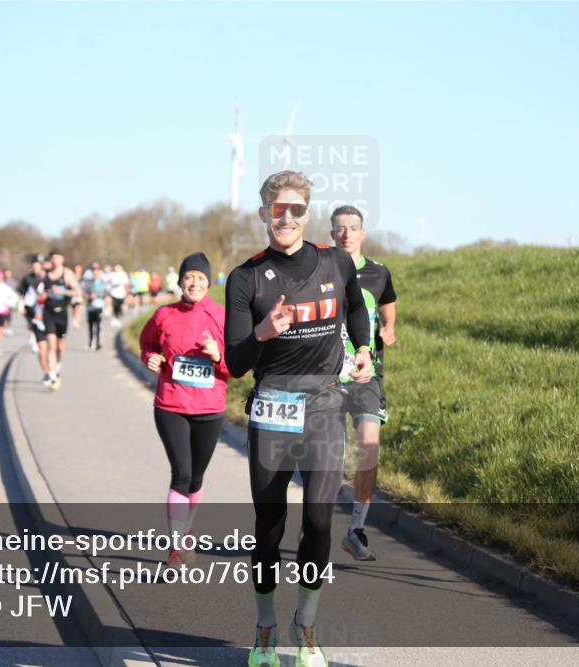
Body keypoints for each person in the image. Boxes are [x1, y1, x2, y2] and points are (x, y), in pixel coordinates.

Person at [225, 170, 373, 667]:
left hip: (325, 407)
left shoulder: (335, 262)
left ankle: (305, 625)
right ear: (263, 213)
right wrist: (263, 331)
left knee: (318, 522)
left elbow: (356, 311)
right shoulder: (245, 277)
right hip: (272, 408)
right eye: (276, 208)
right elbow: (237, 362)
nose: (285, 217)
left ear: (307, 214)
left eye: (295, 209)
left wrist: (366, 347)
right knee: (269, 523)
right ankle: (265, 626)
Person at [140, 252, 229, 568]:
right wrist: (150, 358)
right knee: (182, 473)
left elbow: (238, 366)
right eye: (189, 277)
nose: (195, 283)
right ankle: (176, 548)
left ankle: (187, 529)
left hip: (209, 407)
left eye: (201, 278)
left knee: (197, 477)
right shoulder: (164, 314)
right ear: (180, 282)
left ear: (209, 283)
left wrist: (219, 355)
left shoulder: (221, 316)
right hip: (171, 405)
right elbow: (148, 344)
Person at [329, 205, 398, 561]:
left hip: (367, 376)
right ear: (331, 234)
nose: (347, 234)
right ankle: (316, 519)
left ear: (363, 232)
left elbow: (388, 303)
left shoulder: (378, 273)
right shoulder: (321, 270)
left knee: (370, 447)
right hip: (327, 377)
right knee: (328, 456)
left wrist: (389, 327)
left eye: (353, 228)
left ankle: (356, 529)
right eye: (340, 228)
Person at [43, 250, 81, 389]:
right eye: (53, 258)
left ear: (62, 259)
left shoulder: (67, 274)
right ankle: (52, 375)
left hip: (62, 313)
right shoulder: (46, 274)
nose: (56, 260)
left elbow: (77, 292)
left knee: (60, 347)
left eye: (58, 258)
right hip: (48, 313)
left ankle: (58, 366)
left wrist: (62, 291)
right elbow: (38, 289)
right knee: (51, 345)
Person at [85, 263, 107, 351]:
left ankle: (98, 343)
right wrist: (89, 296)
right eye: (94, 271)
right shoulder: (88, 282)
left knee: (98, 326)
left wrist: (98, 295)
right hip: (90, 307)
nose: (95, 273)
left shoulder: (102, 282)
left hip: (100, 306)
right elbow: (84, 293)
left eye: (97, 271)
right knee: (90, 326)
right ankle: (90, 342)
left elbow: (106, 293)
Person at [71, 263, 84, 330]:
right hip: (74, 295)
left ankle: (76, 321)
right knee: (75, 308)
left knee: (78, 308)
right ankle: (75, 320)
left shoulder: (82, 277)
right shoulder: (72, 276)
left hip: (79, 295)